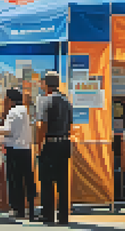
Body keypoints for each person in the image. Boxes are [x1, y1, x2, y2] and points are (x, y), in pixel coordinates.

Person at [35, 71, 73, 225]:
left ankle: (47, 214)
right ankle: (63, 216)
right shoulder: (66, 101)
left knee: (47, 180)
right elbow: (70, 123)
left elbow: (42, 125)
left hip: (50, 143)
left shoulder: (46, 101)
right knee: (63, 181)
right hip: (64, 143)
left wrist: (39, 145)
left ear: (46, 84)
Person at [0, 88, 35, 220]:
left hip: (14, 149)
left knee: (14, 180)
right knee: (27, 179)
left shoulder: (13, 112)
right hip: (26, 148)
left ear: (10, 100)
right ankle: (30, 208)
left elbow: (8, 130)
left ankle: (17, 209)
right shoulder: (24, 110)